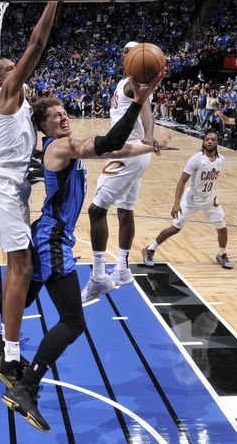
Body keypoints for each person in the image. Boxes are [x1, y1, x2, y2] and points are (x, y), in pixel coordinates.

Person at [0, 75, 164, 431]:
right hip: (52, 241)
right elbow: (108, 142)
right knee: (73, 322)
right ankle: (26, 387)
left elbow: (118, 149)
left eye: (64, 112)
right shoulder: (57, 148)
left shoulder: (66, 144)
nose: (63, 118)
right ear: (42, 125)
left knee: (20, 300)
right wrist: (138, 102)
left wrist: (148, 145)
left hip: (47, 235)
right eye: (54, 116)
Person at [0, 0, 65, 374]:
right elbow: (36, 44)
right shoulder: (7, 96)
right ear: (1, 80)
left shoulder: (21, 109)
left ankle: (3, 341)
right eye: (9, 69)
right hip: (3, 184)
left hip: (16, 186)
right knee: (23, 265)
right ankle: (9, 356)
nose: (17, 70)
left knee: (23, 266)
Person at [80, 41, 161, 303]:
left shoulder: (131, 83)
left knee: (96, 210)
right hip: (139, 153)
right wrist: (149, 138)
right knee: (125, 211)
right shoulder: (128, 84)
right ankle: (123, 268)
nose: (128, 56)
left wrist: (148, 136)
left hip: (127, 154)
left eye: (133, 53)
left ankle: (99, 276)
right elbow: (146, 107)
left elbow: (144, 104)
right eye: (126, 51)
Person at [141, 130, 234, 270]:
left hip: (209, 200)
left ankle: (222, 254)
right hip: (191, 199)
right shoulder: (196, 159)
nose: (210, 141)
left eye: (213, 139)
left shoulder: (221, 159)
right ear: (203, 141)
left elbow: (214, 180)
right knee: (174, 229)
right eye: (207, 139)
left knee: (222, 228)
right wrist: (176, 203)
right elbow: (181, 182)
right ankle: (149, 249)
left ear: (217, 142)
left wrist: (214, 195)